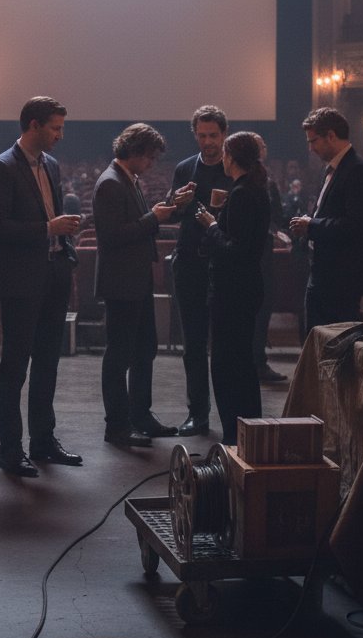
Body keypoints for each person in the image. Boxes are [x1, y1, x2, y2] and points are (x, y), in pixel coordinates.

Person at [0, 96, 82, 478]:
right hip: (20, 280)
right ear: (34, 124)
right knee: (14, 367)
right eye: (55, 127)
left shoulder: (51, 165)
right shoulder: (2, 167)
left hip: (53, 273)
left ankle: (43, 441)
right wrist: (48, 229)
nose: (60, 135)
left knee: (47, 364)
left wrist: (64, 243)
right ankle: (11, 450)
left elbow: (51, 218)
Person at [93, 123, 184, 448]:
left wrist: (168, 209)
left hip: (136, 280)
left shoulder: (127, 179)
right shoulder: (110, 183)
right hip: (121, 283)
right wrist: (154, 218)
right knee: (118, 356)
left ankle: (140, 416)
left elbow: (139, 225)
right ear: (134, 152)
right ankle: (117, 426)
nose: (151, 165)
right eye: (149, 158)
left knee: (145, 349)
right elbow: (113, 236)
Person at [194, 132, 271, 445]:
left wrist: (211, 225)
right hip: (246, 290)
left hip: (232, 293)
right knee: (242, 364)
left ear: (232, 157)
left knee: (226, 367)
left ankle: (232, 438)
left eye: (225, 154)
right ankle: (247, 435)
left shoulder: (241, 193)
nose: (221, 160)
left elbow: (234, 249)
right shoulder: (255, 189)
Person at [167, 105, 232, 437]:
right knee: (192, 345)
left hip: (223, 265)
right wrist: (176, 201)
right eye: (202, 135)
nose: (207, 142)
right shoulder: (184, 168)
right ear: (194, 134)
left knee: (223, 345)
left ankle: (231, 417)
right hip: (190, 262)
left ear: (224, 135)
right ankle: (198, 415)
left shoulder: (234, 168)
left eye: (213, 135)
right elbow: (173, 213)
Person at [289, 107, 363, 334]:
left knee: (336, 347)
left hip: (342, 280)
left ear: (331, 135)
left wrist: (311, 225)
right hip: (323, 273)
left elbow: (356, 226)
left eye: (314, 141)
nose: (310, 148)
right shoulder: (331, 169)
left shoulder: (358, 170)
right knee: (315, 341)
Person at [251, 134, 289, 384]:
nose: (265, 149)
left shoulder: (268, 180)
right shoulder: (252, 181)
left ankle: (257, 360)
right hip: (256, 255)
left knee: (262, 308)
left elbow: (276, 216)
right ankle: (256, 362)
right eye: (262, 146)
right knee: (258, 308)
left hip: (262, 252)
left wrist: (278, 231)